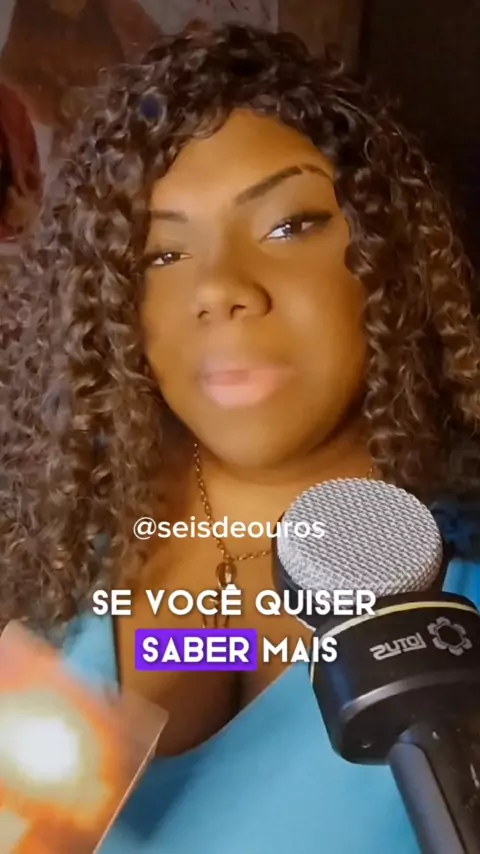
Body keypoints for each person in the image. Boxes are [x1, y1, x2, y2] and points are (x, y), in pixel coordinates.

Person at [2, 23, 480, 854]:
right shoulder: (56, 535)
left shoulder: (462, 613)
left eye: (290, 225)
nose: (219, 286)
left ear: (390, 256)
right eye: (160, 254)